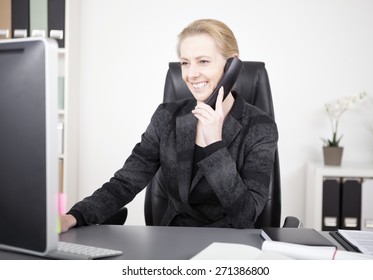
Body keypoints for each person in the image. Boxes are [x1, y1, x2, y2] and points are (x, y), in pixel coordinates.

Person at [61, 19, 278, 231]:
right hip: (173, 239)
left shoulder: (259, 127)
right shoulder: (166, 117)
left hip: (231, 245)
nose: (191, 74)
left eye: (203, 61)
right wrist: (75, 216)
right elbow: (126, 182)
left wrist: (214, 145)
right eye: (185, 62)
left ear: (232, 65)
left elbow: (245, 216)